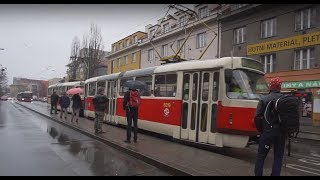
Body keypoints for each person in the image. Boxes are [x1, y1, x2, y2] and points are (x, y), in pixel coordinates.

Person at [254, 77, 286, 176]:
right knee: (278, 156)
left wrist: (261, 130)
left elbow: (257, 117)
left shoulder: (263, 99)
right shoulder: (285, 99)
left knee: (261, 156)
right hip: (281, 133)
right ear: (280, 87)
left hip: (267, 133)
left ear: (270, 87)